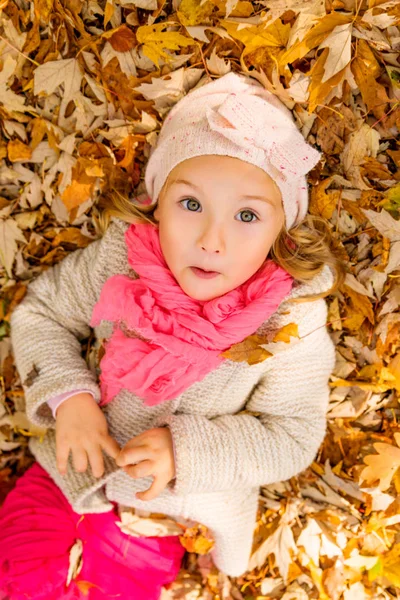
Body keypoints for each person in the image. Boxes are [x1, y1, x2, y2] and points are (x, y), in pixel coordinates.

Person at [1, 71, 346, 599]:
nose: (212, 240)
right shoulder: (121, 263)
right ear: (155, 203)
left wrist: (184, 452)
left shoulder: (289, 326)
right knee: (17, 581)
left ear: (283, 230)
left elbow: (292, 435)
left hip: (162, 514)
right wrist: (71, 398)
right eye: (190, 205)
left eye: (248, 215)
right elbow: (43, 313)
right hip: (65, 476)